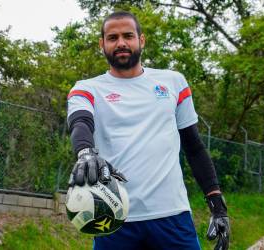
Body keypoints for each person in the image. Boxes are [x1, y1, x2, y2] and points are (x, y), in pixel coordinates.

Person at [67, 10, 230, 250]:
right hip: (114, 218)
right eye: (112, 38)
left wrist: (218, 205)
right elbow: (81, 122)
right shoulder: (86, 88)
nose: (121, 43)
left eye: (128, 36)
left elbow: (194, 147)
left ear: (141, 40)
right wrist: (85, 153)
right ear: (102, 44)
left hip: (173, 215)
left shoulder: (173, 82)